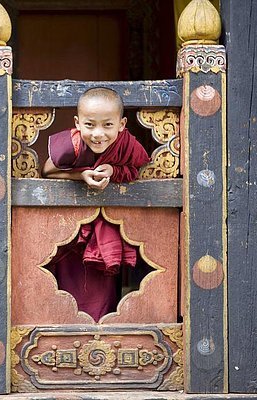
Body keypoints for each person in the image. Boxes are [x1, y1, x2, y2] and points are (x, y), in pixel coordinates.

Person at [41, 87, 150, 321]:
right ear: (77, 123)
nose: (98, 134)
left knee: (103, 294)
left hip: (108, 231)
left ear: (121, 125)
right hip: (71, 237)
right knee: (66, 294)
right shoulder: (72, 146)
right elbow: (48, 171)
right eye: (90, 125)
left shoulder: (128, 145)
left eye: (107, 125)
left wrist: (113, 170)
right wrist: (81, 176)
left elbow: (135, 169)